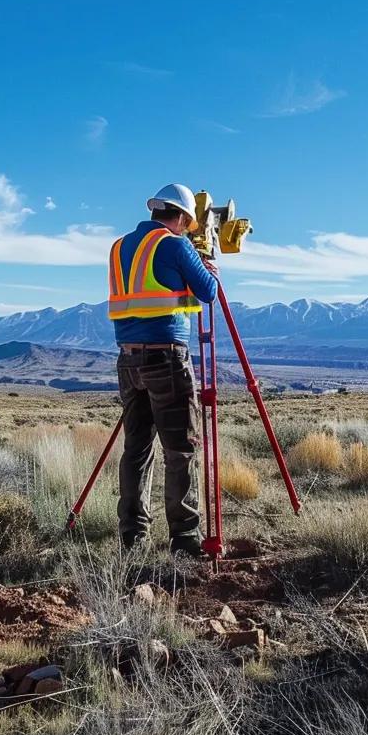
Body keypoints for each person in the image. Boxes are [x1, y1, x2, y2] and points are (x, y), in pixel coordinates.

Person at [107, 182, 218, 557]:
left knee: (136, 448)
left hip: (127, 358)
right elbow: (207, 291)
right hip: (166, 358)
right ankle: (185, 539)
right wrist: (208, 265)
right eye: (189, 222)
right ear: (184, 217)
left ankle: (132, 537)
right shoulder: (174, 244)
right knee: (180, 450)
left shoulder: (120, 247)